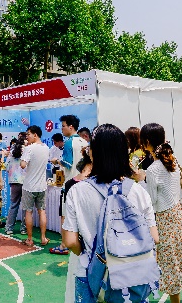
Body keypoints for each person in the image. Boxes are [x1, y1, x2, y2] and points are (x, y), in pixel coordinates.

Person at [62, 124, 159, 303]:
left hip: (91, 273)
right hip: (133, 274)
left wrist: (90, 252)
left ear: (92, 154)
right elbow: (154, 238)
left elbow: (69, 241)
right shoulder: (139, 191)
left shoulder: (77, 191)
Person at [135, 123, 182, 302]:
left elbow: (151, 201)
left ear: (146, 142)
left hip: (166, 217)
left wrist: (140, 181)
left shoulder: (153, 169)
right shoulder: (171, 159)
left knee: (170, 262)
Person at [61, 152, 93, 303]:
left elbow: (70, 238)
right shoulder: (102, 185)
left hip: (81, 250)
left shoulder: (71, 185)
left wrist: (81, 253)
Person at [20, 125, 50, 247]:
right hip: (42, 185)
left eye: (28, 134)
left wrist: (25, 151)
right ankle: (43, 238)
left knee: (28, 212)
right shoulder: (46, 148)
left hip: (29, 186)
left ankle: (30, 239)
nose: (27, 136)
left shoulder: (29, 148)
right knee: (42, 211)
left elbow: (22, 164)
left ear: (35, 135)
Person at [5, 133, 27, 236]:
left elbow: (6, 166)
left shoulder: (12, 152)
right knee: (25, 206)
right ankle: (23, 228)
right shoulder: (27, 150)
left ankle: (9, 228)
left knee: (13, 205)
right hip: (25, 181)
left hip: (13, 181)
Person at [56, 115, 88, 182]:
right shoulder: (85, 142)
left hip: (71, 181)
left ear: (70, 127)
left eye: (63, 126)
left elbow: (67, 163)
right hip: (83, 181)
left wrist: (56, 161)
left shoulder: (69, 142)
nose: (61, 128)